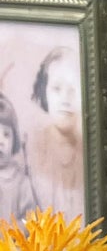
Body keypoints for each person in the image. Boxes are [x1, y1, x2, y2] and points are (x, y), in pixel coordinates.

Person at [28, 45, 82, 216]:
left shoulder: (89, 146)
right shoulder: (32, 146)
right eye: (57, 89)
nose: (65, 99)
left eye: (73, 89)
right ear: (44, 92)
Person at [0, 91, 35, 220]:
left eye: (6, 135)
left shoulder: (21, 182)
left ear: (14, 140)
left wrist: (13, 232)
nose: (1, 142)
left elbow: (30, 219)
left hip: (12, 239)